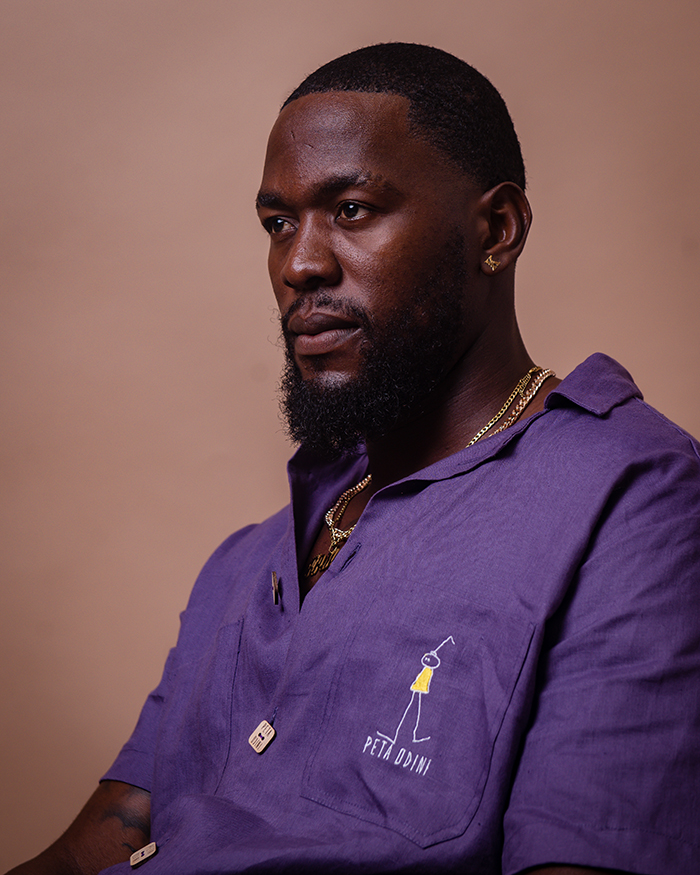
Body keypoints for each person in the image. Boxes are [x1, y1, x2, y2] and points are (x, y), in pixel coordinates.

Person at [8, 42, 700, 875]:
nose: (299, 263)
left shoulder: (632, 500)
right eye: (278, 223)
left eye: (353, 209)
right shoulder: (247, 562)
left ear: (496, 230)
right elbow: (95, 845)